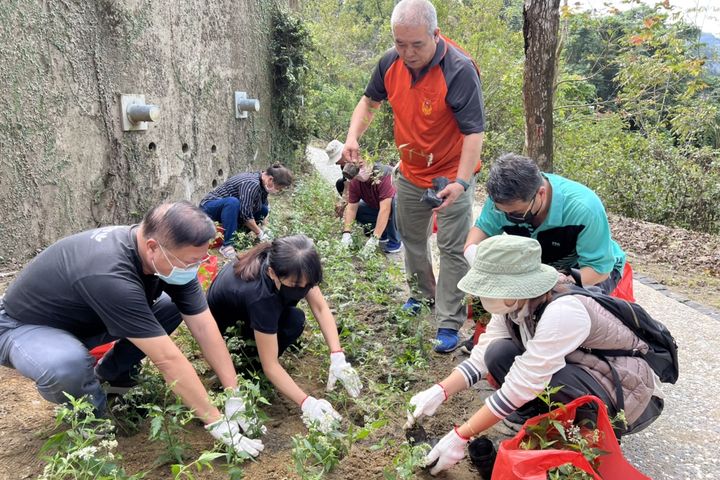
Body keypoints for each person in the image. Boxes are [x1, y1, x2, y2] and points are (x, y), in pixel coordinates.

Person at [0, 202, 264, 457]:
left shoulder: (168, 254)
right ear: (152, 247)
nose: (193, 268)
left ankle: (110, 372)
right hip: (25, 327)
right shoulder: (110, 273)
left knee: (170, 307)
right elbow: (167, 358)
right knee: (67, 365)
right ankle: (93, 423)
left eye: (199, 260)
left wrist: (234, 392)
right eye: (190, 262)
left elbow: (205, 327)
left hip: (90, 318)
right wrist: (215, 422)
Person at [405, 235, 662, 476]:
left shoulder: (563, 311)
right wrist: (439, 391)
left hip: (623, 389)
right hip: (583, 367)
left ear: (512, 286)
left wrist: (460, 436)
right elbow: (484, 353)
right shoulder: (513, 303)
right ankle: (540, 415)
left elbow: (523, 383)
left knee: (539, 377)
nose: (480, 295)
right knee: (499, 352)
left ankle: (587, 429)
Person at [341, 0, 486, 352]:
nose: (407, 52)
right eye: (400, 43)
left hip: (452, 174)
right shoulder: (390, 63)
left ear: (435, 35)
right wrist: (352, 136)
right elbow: (369, 102)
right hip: (411, 170)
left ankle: (449, 321)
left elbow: (474, 134)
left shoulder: (459, 69)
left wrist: (462, 183)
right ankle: (422, 294)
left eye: (416, 45)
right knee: (412, 238)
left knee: (451, 247)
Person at [207, 234, 362, 432]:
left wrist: (337, 355)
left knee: (294, 318)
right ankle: (247, 367)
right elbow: (270, 365)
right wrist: (307, 403)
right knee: (292, 323)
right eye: (295, 286)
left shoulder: (289, 264)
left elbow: (321, 308)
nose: (303, 290)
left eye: (307, 285)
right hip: (226, 333)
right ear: (272, 273)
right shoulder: (260, 297)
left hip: (250, 312)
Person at [464, 153, 626, 294]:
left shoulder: (584, 208)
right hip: (539, 268)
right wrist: (474, 255)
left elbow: (598, 269)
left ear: (541, 193)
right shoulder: (500, 201)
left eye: (517, 213)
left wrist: (554, 285)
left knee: (561, 310)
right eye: (502, 211)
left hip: (588, 270)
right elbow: (478, 235)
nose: (507, 216)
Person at [200, 164, 293, 259]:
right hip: (210, 207)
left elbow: (263, 207)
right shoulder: (251, 183)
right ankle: (227, 245)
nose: (277, 191)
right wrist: (259, 233)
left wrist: (265, 228)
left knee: (263, 210)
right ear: (270, 179)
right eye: (278, 188)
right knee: (233, 202)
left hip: (229, 212)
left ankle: (237, 236)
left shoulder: (262, 185)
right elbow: (246, 216)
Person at [340, 158, 403, 255]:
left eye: (361, 166)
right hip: (378, 207)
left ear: (369, 161)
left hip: (401, 210)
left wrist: (374, 238)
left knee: (395, 202)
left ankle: (395, 240)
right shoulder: (355, 182)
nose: (360, 172)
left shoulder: (384, 175)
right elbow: (352, 208)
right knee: (360, 209)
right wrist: (346, 233)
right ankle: (384, 233)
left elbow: (385, 209)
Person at [326, 139, 351, 218]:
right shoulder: (343, 166)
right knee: (340, 183)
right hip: (353, 188)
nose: (336, 163)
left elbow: (352, 186)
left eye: (336, 159)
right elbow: (346, 183)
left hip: (364, 190)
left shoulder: (354, 161)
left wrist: (344, 202)